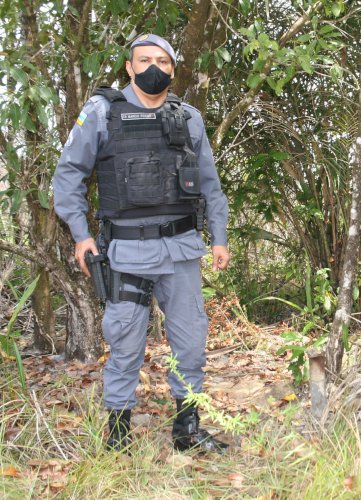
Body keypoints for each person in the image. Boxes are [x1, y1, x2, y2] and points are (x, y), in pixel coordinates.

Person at [53, 34, 230, 453]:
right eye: (144, 60)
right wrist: (82, 236)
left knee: (190, 341)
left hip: (182, 249)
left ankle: (187, 429)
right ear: (129, 68)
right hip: (127, 252)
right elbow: (68, 178)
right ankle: (117, 435)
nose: (153, 67)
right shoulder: (101, 113)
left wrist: (219, 238)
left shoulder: (188, 117)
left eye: (162, 61)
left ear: (173, 68)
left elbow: (211, 185)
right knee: (126, 341)